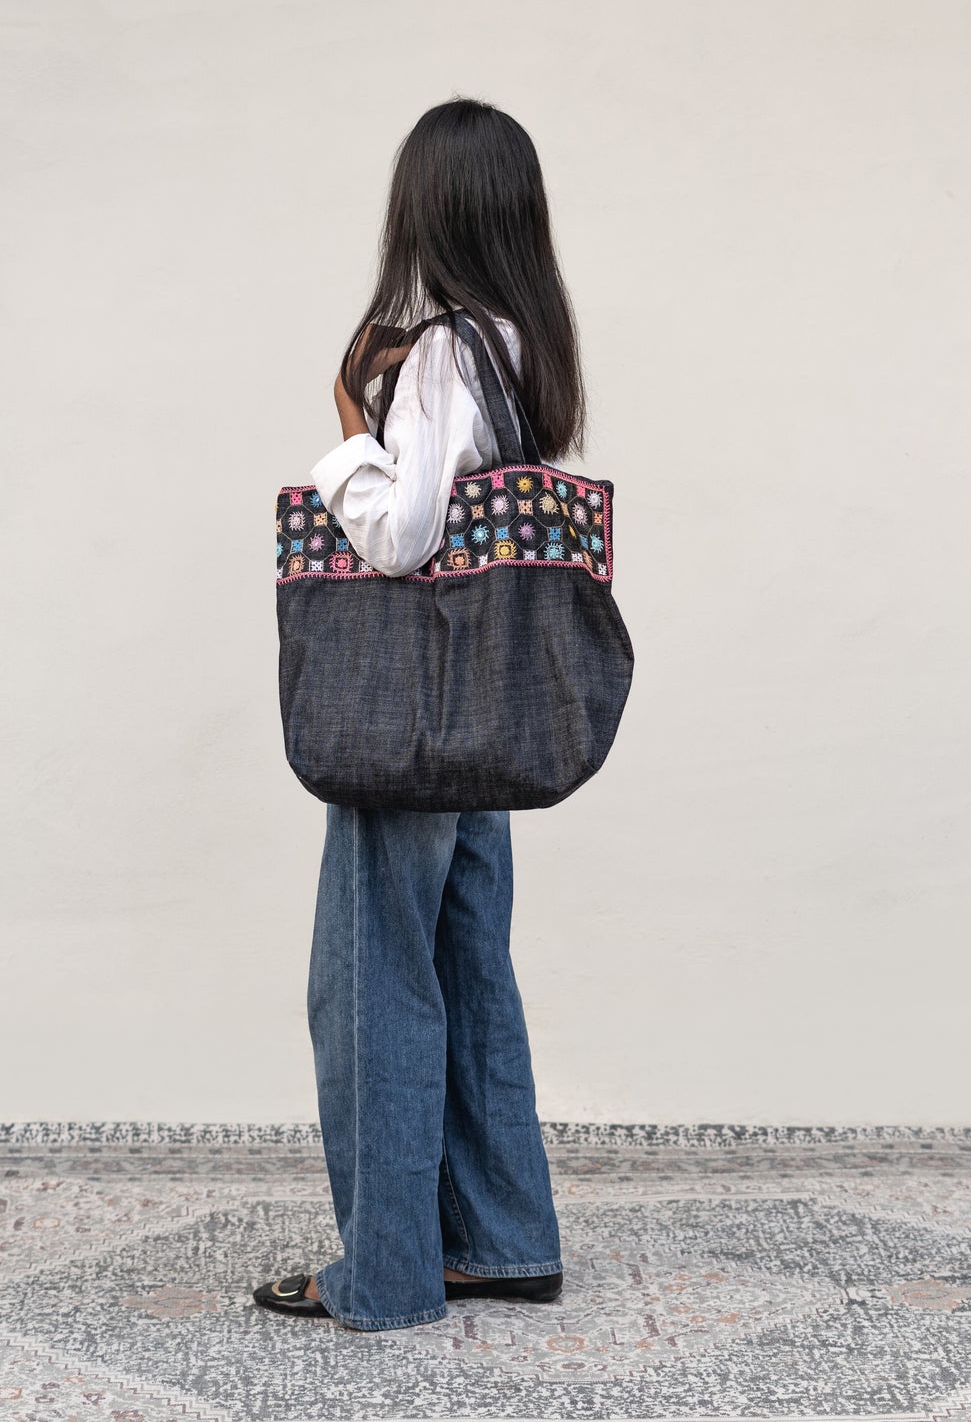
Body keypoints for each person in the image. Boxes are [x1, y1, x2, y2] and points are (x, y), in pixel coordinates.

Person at [252, 96, 588, 1332]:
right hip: (479, 713)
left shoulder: (444, 348)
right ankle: (502, 1239)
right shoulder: (526, 342)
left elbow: (398, 539)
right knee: (466, 964)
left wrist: (348, 433)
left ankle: (386, 1270)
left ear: (425, 210)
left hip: (408, 721)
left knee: (373, 976)